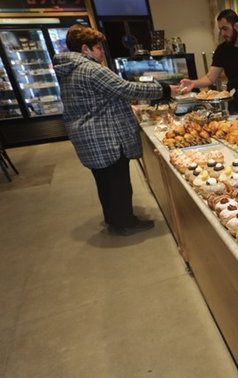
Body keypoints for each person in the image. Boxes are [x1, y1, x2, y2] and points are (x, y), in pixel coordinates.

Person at [53, 25, 180, 236]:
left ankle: (113, 218)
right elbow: (126, 88)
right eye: (98, 48)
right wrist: (166, 89)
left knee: (104, 182)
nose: (102, 52)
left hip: (86, 135)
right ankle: (125, 223)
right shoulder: (90, 68)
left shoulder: (69, 69)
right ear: (85, 49)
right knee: (118, 181)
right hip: (105, 136)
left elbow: (96, 98)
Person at [179, 10, 238, 128]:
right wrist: (192, 83)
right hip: (235, 109)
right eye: (220, 29)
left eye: (225, 28)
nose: (222, 33)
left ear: (236, 26)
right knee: (237, 143)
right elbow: (210, 78)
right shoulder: (222, 50)